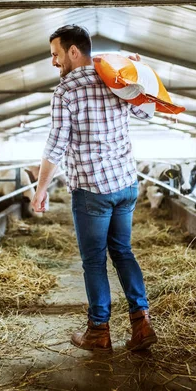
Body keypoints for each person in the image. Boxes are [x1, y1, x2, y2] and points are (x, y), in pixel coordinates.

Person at [31, 24, 157, 352]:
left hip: (93, 191)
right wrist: (137, 73)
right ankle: (141, 323)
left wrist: (40, 189)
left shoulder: (65, 91)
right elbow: (146, 112)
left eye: (56, 55)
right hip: (126, 184)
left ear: (74, 51)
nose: (54, 62)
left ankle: (99, 331)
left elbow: (56, 145)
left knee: (94, 261)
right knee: (123, 251)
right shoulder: (114, 77)